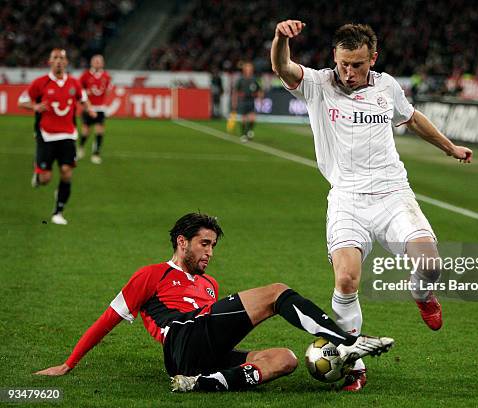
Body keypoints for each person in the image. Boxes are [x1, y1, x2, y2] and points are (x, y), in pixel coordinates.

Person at [271, 21, 473, 391]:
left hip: (392, 194)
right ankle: (353, 361)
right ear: (335, 56)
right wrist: (281, 39)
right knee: (346, 279)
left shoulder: (387, 86)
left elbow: (411, 119)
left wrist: (450, 148)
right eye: (344, 63)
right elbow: (283, 68)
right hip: (346, 199)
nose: (349, 72)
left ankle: (421, 293)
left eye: (358, 65)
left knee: (430, 265)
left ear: (372, 59)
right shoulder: (318, 85)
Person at [35, 213, 394, 393]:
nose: (209, 252)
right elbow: (107, 319)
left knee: (284, 359)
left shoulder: (209, 285)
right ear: (182, 242)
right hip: (179, 337)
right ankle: (346, 341)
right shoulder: (152, 274)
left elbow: (218, 328)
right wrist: (68, 365)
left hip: (195, 357)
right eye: (204, 244)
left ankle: (199, 384)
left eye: (213, 246)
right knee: (277, 292)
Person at [18, 48, 97, 225]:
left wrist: (89, 109)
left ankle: (58, 212)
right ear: (49, 62)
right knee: (45, 179)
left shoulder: (74, 83)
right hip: (46, 136)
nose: (59, 61)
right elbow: (21, 101)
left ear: (67, 62)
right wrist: (35, 107)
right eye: (55, 58)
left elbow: (83, 98)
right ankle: (38, 174)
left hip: (68, 135)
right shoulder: (40, 83)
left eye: (62, 58)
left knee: (66, 173)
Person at [78, 54, 112, 164]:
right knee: (85, 131)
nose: (97, 63)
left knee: (99, 130)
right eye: (95, 61)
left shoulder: (106, 76)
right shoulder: (85, 75)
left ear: (103, 63)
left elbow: (108, 89)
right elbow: (79, 88)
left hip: (100, 108)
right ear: (91, 63)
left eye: (99, 61)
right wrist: (85, 94)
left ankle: (96, 153)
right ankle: (81, 147)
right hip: (88, 108)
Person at [233, 61, 262, 142]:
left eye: (250, 69)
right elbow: (236, 92)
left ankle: (249, 131)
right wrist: (234, 102)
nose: (249, 70)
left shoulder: (254, 79)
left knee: (252, 119)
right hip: (243, 101)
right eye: (247, 69)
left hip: (251, 101)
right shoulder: (241, 80)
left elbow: (259, 90)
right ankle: (243, 134)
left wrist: (259, 98)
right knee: (244, 119)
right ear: (244, 70)